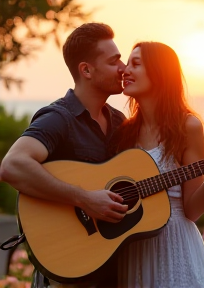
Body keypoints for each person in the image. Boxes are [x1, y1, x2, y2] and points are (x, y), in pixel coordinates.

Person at [0, 23, 128, 288]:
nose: (124, 67)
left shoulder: (119, 122)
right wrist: (84, 199)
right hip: (66, 272)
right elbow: (12, 165)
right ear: (86, 70)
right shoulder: (59, 118)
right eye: (114, 60)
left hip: (110, 269)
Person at [112, 41, 204, 288]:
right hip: (133, 253)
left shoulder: (187, 127)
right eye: (127, 63)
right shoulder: (124, 132)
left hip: (176, 250)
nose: (125, 70)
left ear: (159, 73)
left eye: (135, 64)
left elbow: (192, 210)